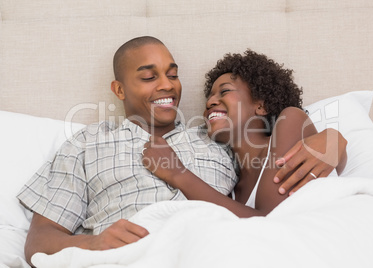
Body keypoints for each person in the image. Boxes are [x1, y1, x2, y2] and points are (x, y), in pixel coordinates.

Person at [18, 37, 345, 265]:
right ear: (118, 89)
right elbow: (39, 244)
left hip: (214, 252)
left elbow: (269, 208)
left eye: (173, 75)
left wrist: (334, 141)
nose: (167, 85)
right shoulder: (86, 143)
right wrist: (93, 242)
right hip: (125, 255)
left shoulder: (217, 139)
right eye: (149, 76)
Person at [142, 49, 347, 216]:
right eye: (210, 96)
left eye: (224, 91)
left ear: (261, 105)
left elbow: (271, 221)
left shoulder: (290, 120)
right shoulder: (231, 188)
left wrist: (177, 174)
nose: (210, 101)